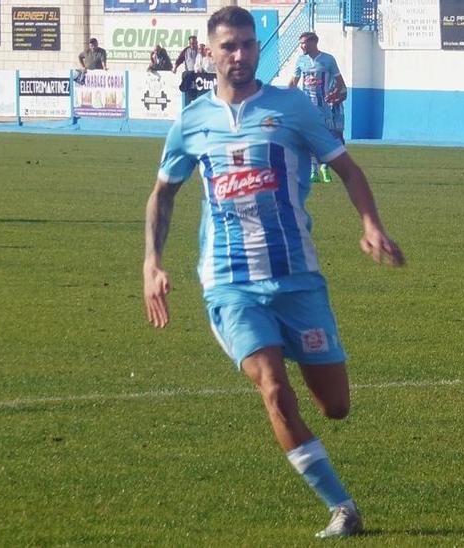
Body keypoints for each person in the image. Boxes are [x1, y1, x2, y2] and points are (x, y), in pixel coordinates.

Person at [142, 6, 405, 539]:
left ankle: (302, 370)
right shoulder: (192, 122)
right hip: (229, 283)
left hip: (297, 279)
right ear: (209, 51)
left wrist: (371, 224)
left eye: (247, 45)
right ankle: (342, 508)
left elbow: (346, 168)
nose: (239, 55)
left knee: (335, 406)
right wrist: (152, 262)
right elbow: (163, 193)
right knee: (272, 387)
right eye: (228, 46)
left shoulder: (291, 108)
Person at [289, 32, 347, 184]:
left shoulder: (328, 60)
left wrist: (335, 93)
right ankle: (313, 170)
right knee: (308, 138)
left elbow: (340, 82)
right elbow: (293, 82)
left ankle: (325, 167)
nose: (302, 46)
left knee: (327, 139)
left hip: (324, 107)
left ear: (314, 42)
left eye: (304, 43)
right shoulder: (301, 60)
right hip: (307, 107)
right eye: (300, 43)